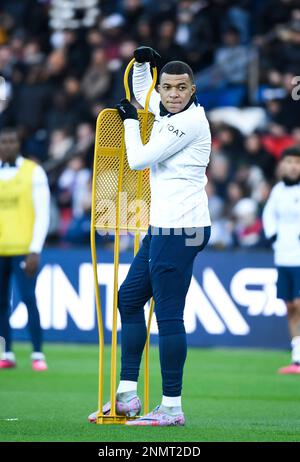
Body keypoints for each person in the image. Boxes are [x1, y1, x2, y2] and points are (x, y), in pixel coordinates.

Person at [89, 46, 211, 426]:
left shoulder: (188, 122)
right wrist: (144, 66)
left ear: (193, 91)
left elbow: (138, 158)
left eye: (181, 88)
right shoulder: (164, 108)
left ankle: (172, 407)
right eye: (168, 87)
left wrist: (127, 121)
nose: (173, 94)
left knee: (169, 314)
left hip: (182, 227)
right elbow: (140, 95)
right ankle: (127, 395)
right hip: (164, 226)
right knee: (129, 298)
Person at [0, 127, 50, 371]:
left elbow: (42, 213)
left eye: (11, 141)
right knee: (0, 304)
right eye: (3, 142)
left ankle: (37, 353)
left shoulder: (34, 171)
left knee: (29, 299)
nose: (7, 146)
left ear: (18, 144)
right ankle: (5, 352)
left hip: (23, 248)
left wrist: (35, 249)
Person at [262, 147, 300, 374]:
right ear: (282, 165)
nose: (293, 166)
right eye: (289, 162)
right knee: (289, 306)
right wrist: (274, 237)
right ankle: (296, 358)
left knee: (298, 304)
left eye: (297, 162)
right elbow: (268, 215)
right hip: (283, 254)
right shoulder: (277, 191)